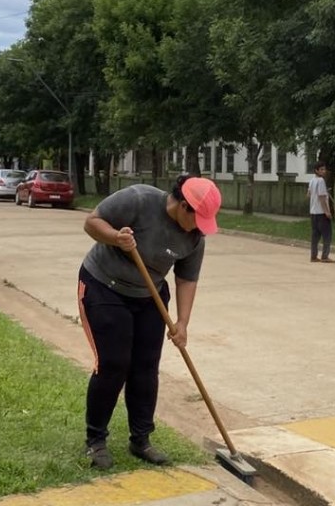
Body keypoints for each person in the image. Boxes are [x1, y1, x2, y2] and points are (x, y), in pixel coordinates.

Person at [77, 175, 222, 470]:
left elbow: (186, 279)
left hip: (149, 294)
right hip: (105, 285)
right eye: (199, 219)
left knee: (145, 366)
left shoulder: (195, 238)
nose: (200, 227)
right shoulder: (139, 199)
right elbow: (92, 222)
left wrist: (182, 323)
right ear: (183, 206)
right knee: (114, 363)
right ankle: (95, 441)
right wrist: (115, 237)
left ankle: (141, 439)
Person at [307, 161, 334, 263]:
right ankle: (325, 256)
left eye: (324, 169)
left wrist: (324, 191)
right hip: (321, 213)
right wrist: (327, 212)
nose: (324, 171)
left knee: (315, 235)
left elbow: (308, 194)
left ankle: (313, 256)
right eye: (321, 169)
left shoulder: (312, 180)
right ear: (316, 170)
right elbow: (322, 197)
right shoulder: (321, 181)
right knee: (327, 235)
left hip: (313, 212)